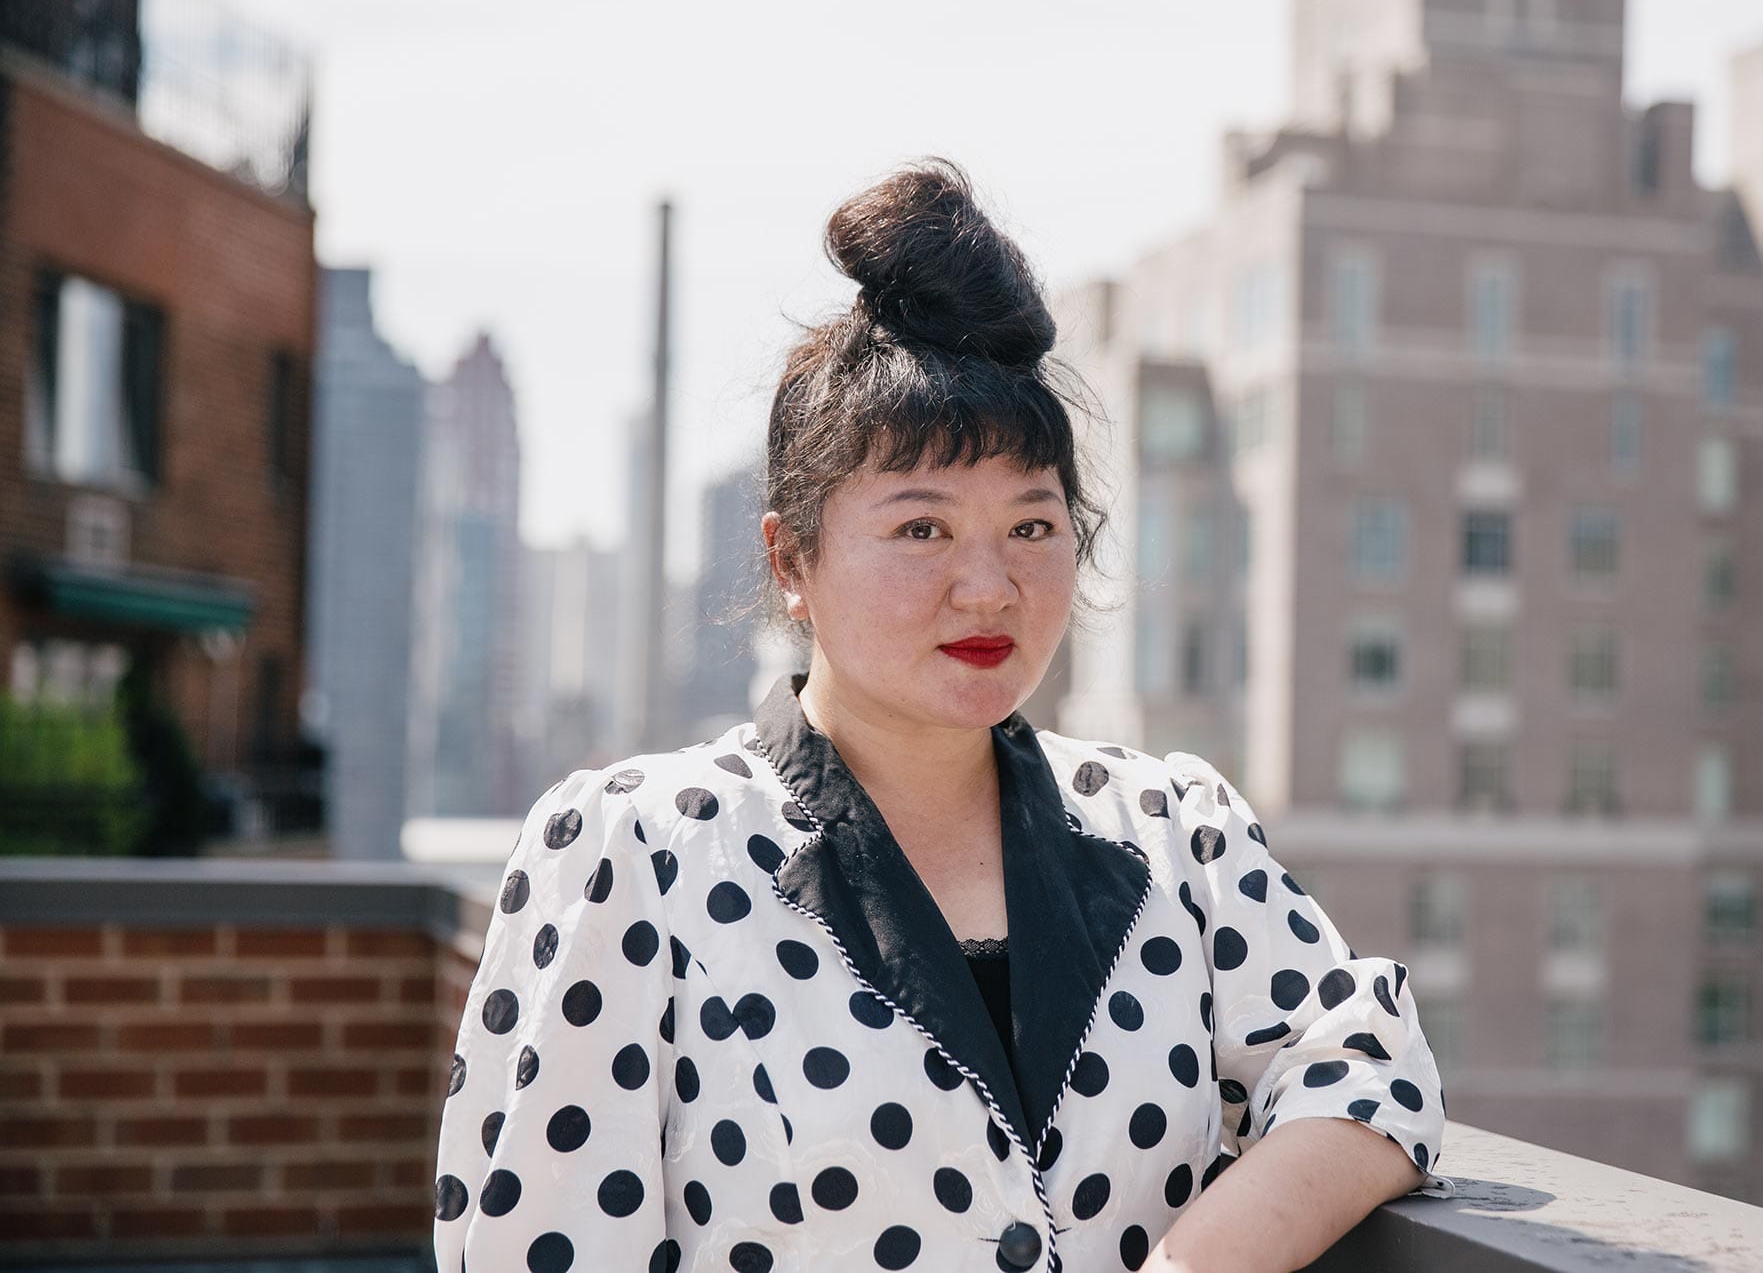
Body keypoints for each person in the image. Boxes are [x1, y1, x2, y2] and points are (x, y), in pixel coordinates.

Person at [431, 158, 1452, 1273]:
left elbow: (1369, 1060)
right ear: (791, 559)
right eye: (921, 529)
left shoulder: (1171, 827)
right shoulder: (633, 849)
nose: (987, 586)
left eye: (1030, 525)